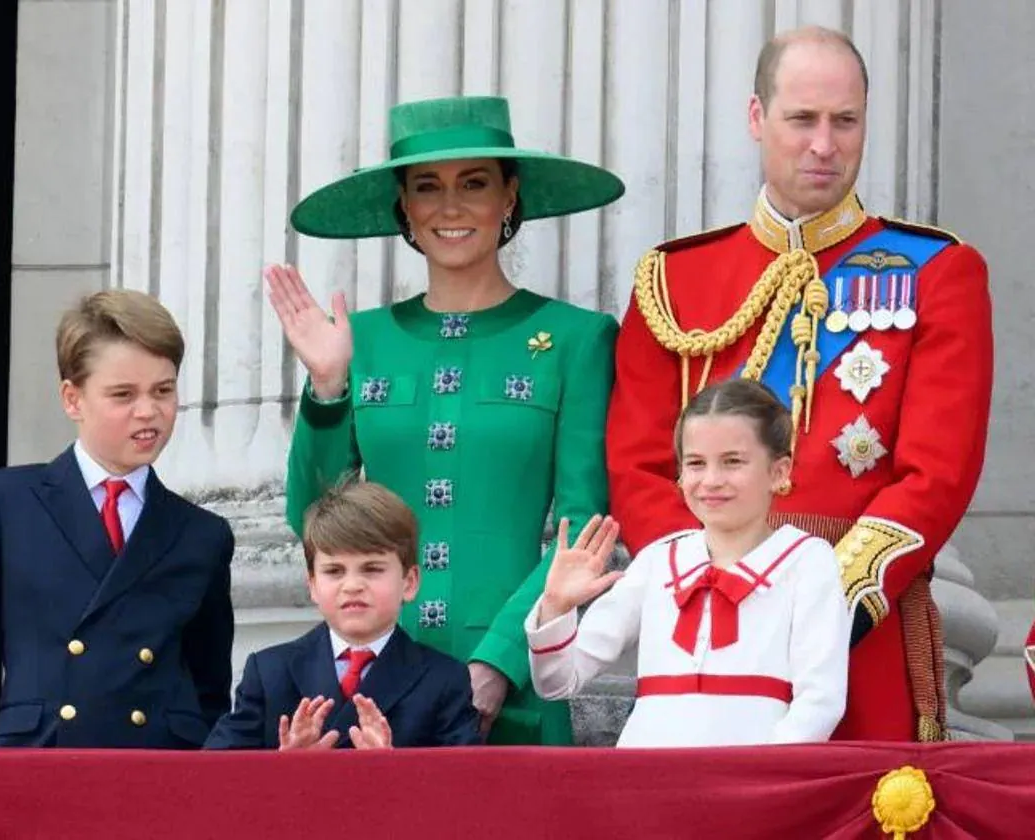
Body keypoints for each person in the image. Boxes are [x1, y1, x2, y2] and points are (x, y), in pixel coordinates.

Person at [606, 26, 993, 742]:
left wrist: (810, 601)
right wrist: (714, 591)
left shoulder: (938, 271)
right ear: (757, 118)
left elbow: (936, 474)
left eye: (844, 121)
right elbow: (638, 467)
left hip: (855, 634)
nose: (824, 144)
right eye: (802, 120)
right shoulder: (674, 280)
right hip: (706, 637)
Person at [270, 95, 625, 744]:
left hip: (513, 686)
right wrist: (326, 387)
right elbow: (313, 519)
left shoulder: (576, 339)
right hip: (376, 680)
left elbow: (583, 527)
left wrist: (497, 663)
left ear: (510, 197)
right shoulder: (361, 338)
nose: (451, 207)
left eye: (475, 184)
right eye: (427, 187)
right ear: (404, 206)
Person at [0, 290, 235, 749]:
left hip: (157, 773)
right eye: (123, 395)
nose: (148, 411)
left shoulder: (202, 534)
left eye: (163, 390)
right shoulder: (4, 502)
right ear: (73, 398)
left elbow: (210, 691)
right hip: (41, 763)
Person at [529, 380, 850, 747]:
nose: (711, 481)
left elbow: (820, 702)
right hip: (645, 780)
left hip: (751, 783)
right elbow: (557, 682)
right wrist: (556, 606)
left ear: (779, 471)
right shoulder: (658, 560)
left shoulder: (807, 560)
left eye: (733, 462)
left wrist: (761, 781)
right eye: (696, 464)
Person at [204, 480, 480, 749]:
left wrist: (395, 771)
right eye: (334, 571)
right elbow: (214, 776)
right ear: (312, 584)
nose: (352, 586)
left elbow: (465, 785)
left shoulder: (444, 680)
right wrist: (284, 768)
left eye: (372, 569)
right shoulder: (269, 673)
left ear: (409, 582)